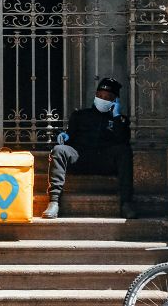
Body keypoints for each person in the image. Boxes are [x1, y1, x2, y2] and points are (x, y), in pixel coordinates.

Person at [42, 77, 135, 220]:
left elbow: (123, 140)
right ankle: (54, 202)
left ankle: (126, 203)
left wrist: (116, 116)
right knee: (59, 150)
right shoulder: (80, 115)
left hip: (105, 162)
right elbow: (69, 136)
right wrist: (64, 136)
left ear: (115, 100)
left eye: (108, 97)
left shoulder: (120, 120)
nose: (102, 99)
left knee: (124, 151)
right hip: (80, 158)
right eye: (100, 95)